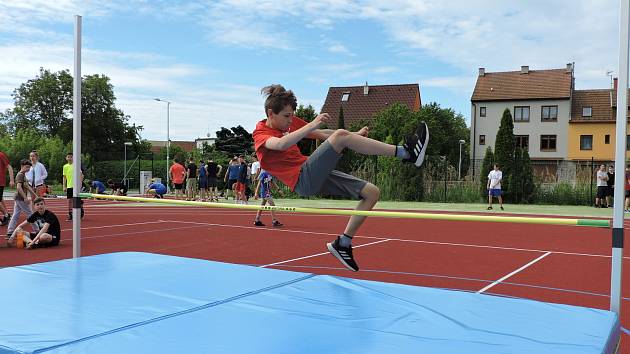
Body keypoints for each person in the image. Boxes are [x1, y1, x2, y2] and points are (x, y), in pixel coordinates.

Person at [253, 85, 428, 271]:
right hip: (302, 179)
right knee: (340, 137)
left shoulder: (288, 122)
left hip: (311, 171)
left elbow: (324, 135)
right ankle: (406, 153)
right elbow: (280, 144)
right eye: (286, 116)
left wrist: (353, 137)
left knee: (371, 193)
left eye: (291, 115)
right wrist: (314, 124)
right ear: (271, 113)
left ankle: (343, 243)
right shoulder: (261, 134)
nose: (290, 120)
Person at [6, 159, 37, 239]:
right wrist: (25, 197)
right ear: (22, 166)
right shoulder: (20, 175)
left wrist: (35, 195)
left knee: (15, 215)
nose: (28, 169)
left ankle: (10, 232)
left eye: (29, 167)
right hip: (20, 198)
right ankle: (37, 229)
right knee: (30, 214)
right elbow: (19, 187)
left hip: (19, 198)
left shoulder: (23, 175)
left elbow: (27, 187)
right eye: (27, 167)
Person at [63, 152, 85, 220]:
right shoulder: (65, 166)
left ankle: (80, 212)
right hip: (69, 185)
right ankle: (70, 214)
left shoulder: (76, 165)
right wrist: (64, 186)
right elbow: (64, 177)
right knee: (70, 200)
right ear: (66, 158)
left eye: (71, 157)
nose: (70, 158)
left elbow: (81, 175)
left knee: (77, 199)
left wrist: (80, 183)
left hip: (76, 185)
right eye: (68, 157)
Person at [0, 149, 14, 226]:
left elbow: (9, 167)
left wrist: (12, 180)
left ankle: (6, 215)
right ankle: (6, 214)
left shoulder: (1, 155)